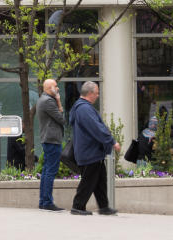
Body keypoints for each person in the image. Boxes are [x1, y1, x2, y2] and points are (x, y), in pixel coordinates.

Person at [68, 81, 120, 216]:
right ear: (90, 93)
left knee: (100, 180)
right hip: (90, 152)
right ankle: (77, 206)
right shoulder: (84, 109)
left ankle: (104, 207)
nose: (98, 96)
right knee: (88, 181)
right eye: (96, 93)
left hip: (91, 152)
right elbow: (96, 128)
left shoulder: (82, 108)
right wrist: (112, 141)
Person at [35, 78, 64, 212]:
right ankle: (46, 202)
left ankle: (43, 201)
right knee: (50, 171)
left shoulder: (43, 99)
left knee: (47, 171)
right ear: (49, 89)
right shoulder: (48, 101)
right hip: (52, 140)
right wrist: (58, 100)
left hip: (48, 139)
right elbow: (61, 119)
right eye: (55, 86)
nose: (57, 88)